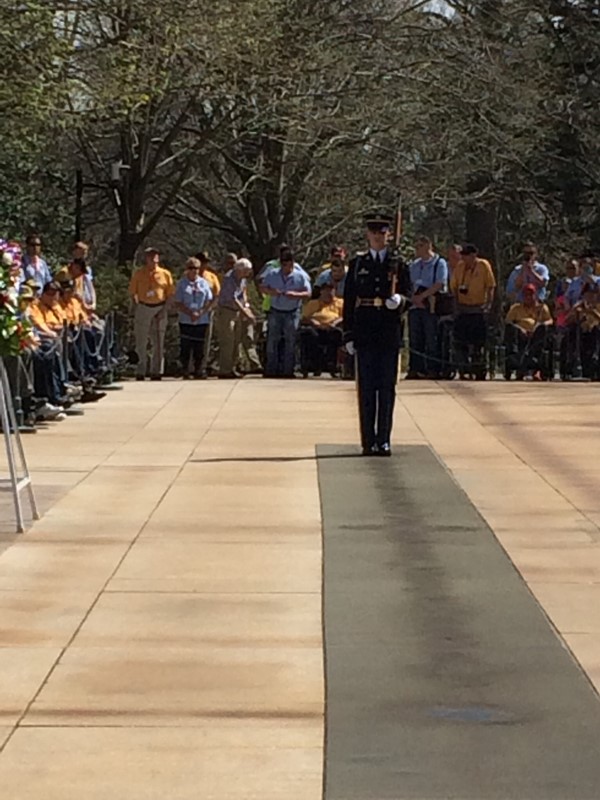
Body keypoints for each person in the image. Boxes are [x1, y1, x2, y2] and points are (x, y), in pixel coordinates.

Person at [343, 212, 409, 456]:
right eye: (374, 233)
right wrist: (348, 335)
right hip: (365, 330)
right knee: (366, 388)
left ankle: (384, 439)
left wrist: (399, 300)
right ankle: (368, 440)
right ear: (367, 236)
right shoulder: (359, 264)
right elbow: (349, 301)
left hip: (389, 330)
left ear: (388, 235)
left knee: (387, 388)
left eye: (382, 233)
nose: (378, 237)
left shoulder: (398, 263)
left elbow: (409, 295)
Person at [260, 249, 311, 377]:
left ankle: (288, 371)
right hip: (275, 311)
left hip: (292, 312)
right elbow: (262, 286)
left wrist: (295, 295)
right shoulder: (272, 274)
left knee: (291, 341)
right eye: (283, 264)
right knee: (272, 341)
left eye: (288, 265)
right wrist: (270, 292)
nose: (286, 268)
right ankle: (271, 370)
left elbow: (308, 293)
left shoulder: (300, 276)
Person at [450, 244, 496, 380]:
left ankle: (479, 368)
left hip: (478, 309)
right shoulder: (459, 267)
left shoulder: (483, 265)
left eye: (466, 255)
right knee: (460, 340)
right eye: (462, 255)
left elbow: (490, 286)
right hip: (463, 309)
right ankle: (464, 368)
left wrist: (488, 305)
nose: (463, 258)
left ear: (473, 255)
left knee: (478, 342)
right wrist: (456, 306)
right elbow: (454, 287)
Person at [128, 246, 175, 381]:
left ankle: (157, 371)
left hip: (160, 308)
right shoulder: (139, 273)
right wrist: (136, 308)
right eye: (150, 255)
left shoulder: (165, 274)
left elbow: (170, 294)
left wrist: (165, 310)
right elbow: (132, 293)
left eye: (155, 255)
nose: (153, 258)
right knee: (141, 341)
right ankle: (141, 370)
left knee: (158, 342)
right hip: (143, 306)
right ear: (146, 258)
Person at [406, 235, 448, 379]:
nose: (416, 250)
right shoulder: (414, 265)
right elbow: (409, 283)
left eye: (419, 246)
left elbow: (440, 283)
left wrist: (422, 297)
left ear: (428, 246)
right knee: (415, 338)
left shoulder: (439, 263)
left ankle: (432, 369)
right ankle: (415, 369)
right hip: (414, 306)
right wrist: (413, 298)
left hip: (430, 305)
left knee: (431, 338)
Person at [216, 257, 256, 378]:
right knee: (228, 341)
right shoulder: (229, 278)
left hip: (238, 312)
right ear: (239, 270)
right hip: (227, 311)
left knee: (236, 341)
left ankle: (232, 367)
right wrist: (245, 312)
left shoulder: (242, 279)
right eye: (246, 271)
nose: (248, 274)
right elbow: (232, 298)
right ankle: (224, 370)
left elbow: (243, 292)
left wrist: (247, 306)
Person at [174, 258, 213, 379]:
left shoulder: (204, 283)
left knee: (199, 347)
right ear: (187, 269)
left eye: (196, 268)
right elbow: (178, 302)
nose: (194, 271)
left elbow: (210, 300)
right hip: (186, 319)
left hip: (201, 319)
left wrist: (201, 312)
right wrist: (190, 313)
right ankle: (185, 370)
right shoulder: (182, 284)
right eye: (191, 268)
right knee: (186, 346)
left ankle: (198, 370)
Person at [504, 283, 553, 379]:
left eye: (530, 295)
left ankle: (535, 365)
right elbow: (508, 321)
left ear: (535, 295)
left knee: (542, 331)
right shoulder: (516, 308)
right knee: (511, 330)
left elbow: (550, 320)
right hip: (520, 334)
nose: (528, 297)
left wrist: (541, 325)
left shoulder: (542, 308)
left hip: (535, 335)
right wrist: (520, 329)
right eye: (526, 295)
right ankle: (516, 358)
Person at [300, 282, 344, 375]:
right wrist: (313, 321)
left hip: (332, 328)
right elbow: (304, 318)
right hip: (316, 328)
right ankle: (313, 365)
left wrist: (334, 323)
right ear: (321, 292)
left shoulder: (340, 302)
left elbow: (344, 316)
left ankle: (332, 364)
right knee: (308, 333)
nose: (329, 293)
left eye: (331, 290)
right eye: (326, 290)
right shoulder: (313, 303)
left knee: (337, 334)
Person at [194, 252, 221, 378]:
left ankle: (202, 367)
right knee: (191, 340)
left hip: (207, 312)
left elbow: (217, 295)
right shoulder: (188, 276)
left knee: (206, 340)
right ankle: (189, 367)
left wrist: (208, 309)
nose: (204, 264)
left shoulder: (211, 277)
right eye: (202, 262)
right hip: (191, 313)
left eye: (206, 262)